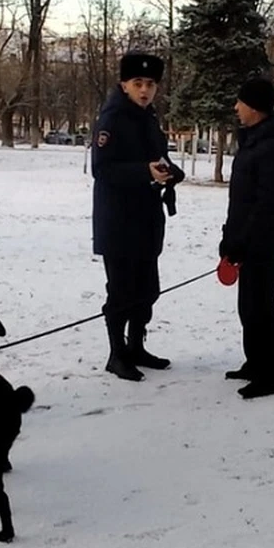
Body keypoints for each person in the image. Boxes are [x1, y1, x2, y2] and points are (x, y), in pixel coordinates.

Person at [91, 51, 185, 382]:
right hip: (118, 220)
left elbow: (157, 156)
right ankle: (117, 354)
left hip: (147, 218)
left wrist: (170, 172)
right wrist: (143, 171)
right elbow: (102, 170)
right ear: (124, 85)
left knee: (147, 289)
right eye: (138, 83)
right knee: (121, 290)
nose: (145, 90)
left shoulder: (149, 118)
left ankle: (136, 345)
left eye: (150, 84)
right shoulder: (112, 119)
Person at [219, 77, 274, 399]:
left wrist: (243, 240)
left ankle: (269, 376)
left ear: (255, 107)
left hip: (264, 244)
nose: (236, 108)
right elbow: (241, 200)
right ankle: (254, 363)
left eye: (240, 102)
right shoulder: (254, 141)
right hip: (248, 241)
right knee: (247, 307)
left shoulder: (273, 148)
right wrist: (230, 237)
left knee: (262, 309)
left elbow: (267, 205)